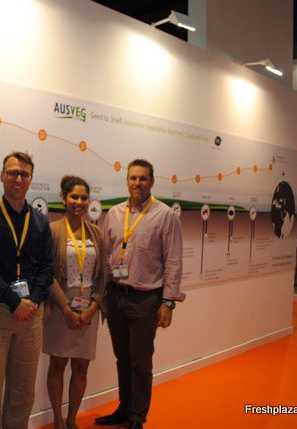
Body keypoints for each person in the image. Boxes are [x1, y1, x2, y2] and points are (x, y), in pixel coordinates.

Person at [95, 159, 185, 429]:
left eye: (142, 178)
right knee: (123, 358)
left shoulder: (165, 215)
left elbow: (173, 261)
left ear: (152, 182)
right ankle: (124, 409)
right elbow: (106, 255)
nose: (137, 183)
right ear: (127, 181)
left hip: (145, 300)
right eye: (133, 178)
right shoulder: (114, 213)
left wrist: (168, 302)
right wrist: (102, 295)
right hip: (115, 296)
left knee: (141, 362)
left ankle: (137, 416)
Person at [0, 151, 55, 429]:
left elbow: (47, 267)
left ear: (31, 179)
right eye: (12, 172)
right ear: (2, 176)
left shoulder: (40, 221)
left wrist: (33, 301)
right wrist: (14, 301)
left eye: (24, 174)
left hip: (31, 315)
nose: (18, 178)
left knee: (23, 392)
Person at [43, 176, 106, 429]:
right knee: (57, 365)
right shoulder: (52, 230)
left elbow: (104, 274)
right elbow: (46, 273)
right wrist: (66, 308)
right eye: (74, 197)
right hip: (60, 308)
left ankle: (72, 420)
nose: (79, 202)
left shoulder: (97, 232)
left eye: (83, 197)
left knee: (81, 368)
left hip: (88, 309)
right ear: (64, 199)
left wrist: (93, 307)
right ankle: (58, 420)